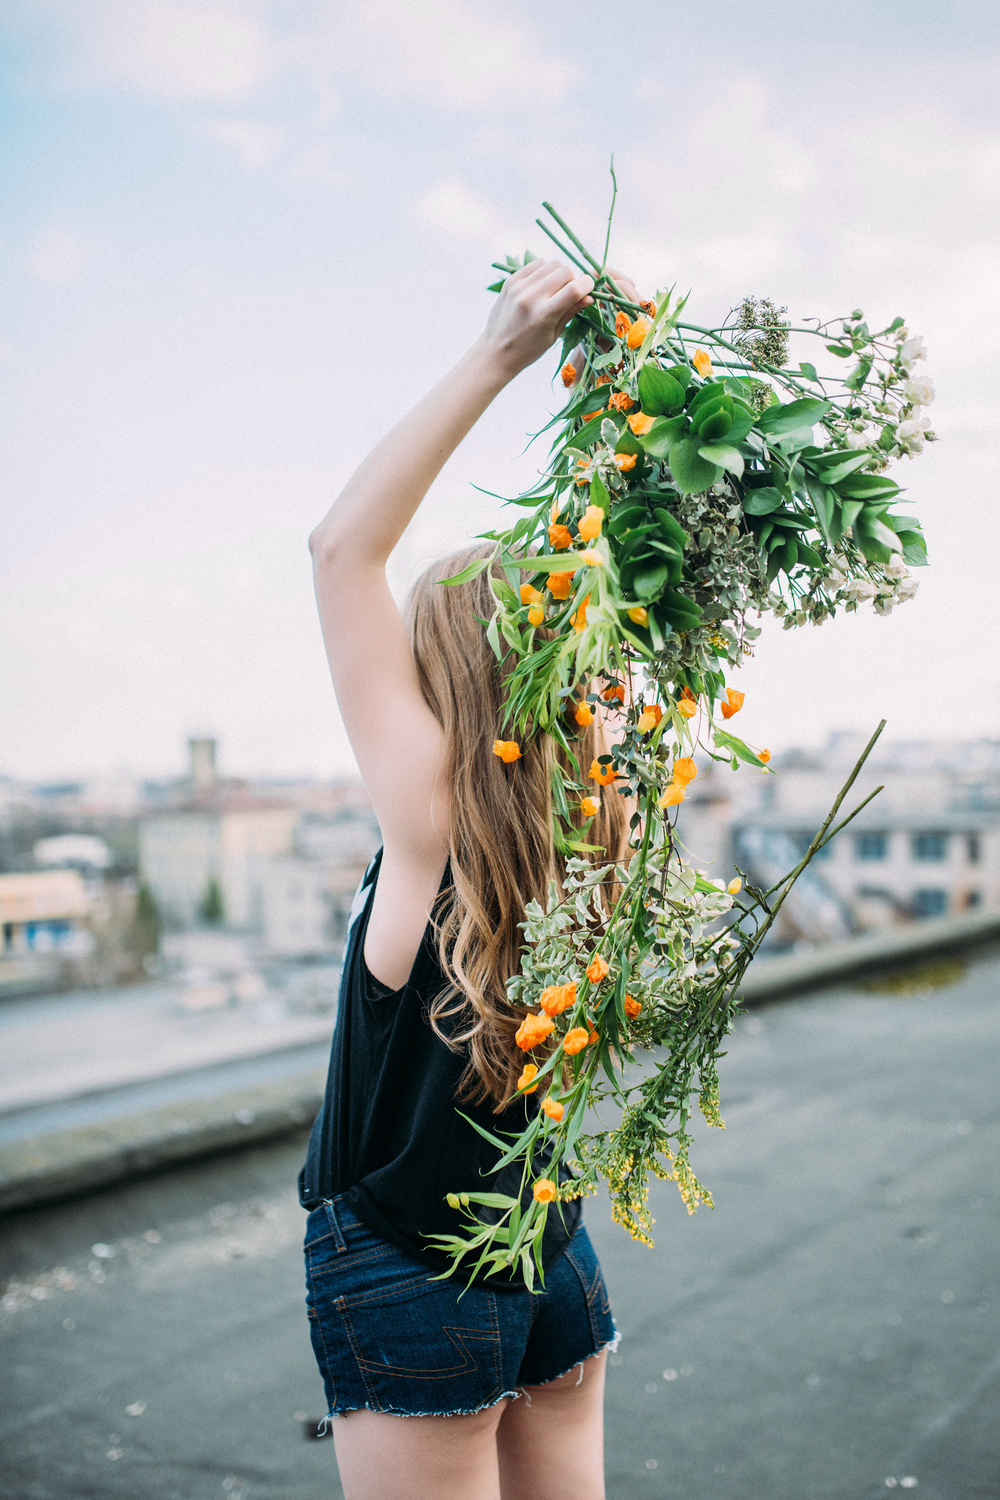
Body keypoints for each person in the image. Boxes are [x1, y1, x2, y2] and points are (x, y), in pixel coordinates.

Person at [300, 257, 639, 1500]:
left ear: (436, 680)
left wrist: (501, 354)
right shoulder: (597, 815)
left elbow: (342, 549)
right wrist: (627, 386)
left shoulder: (431, 821)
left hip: (407, 1262)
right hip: (550, 1252)